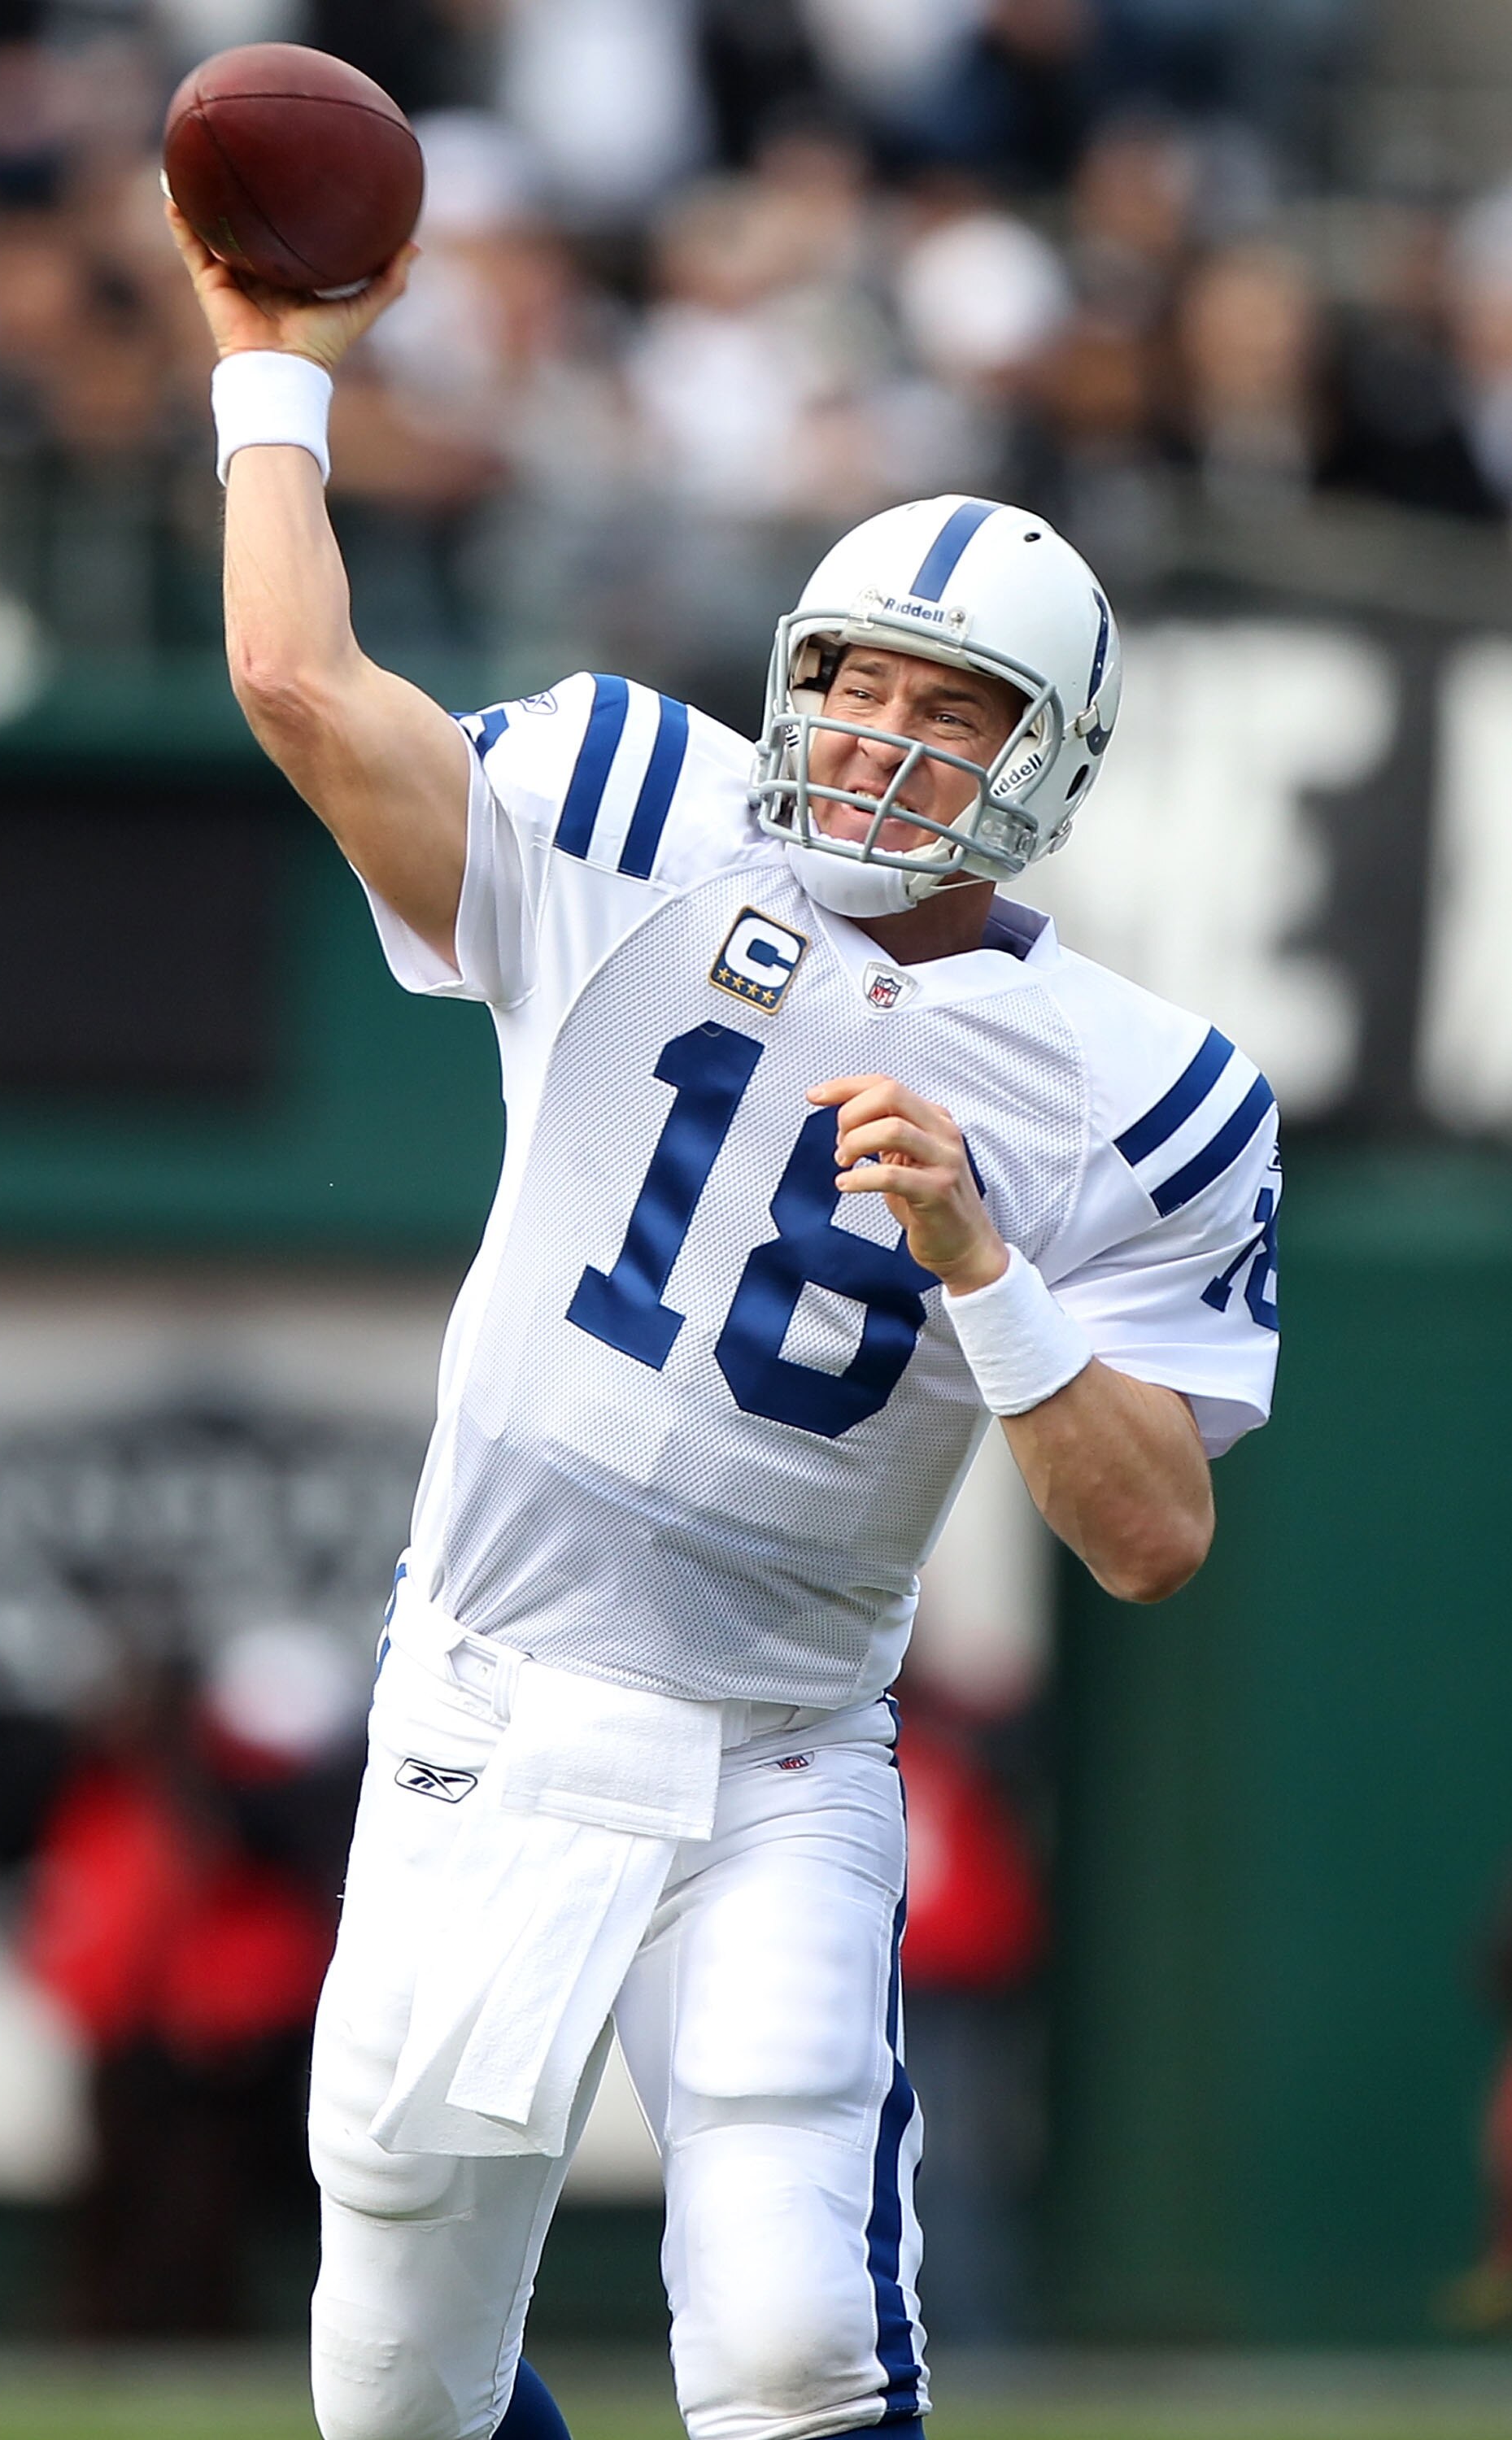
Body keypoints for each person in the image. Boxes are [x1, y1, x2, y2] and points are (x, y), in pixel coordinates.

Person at [165, 205, 1281, 2440]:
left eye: (941, 706)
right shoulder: (624, 808)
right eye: (849, 681)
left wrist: (988, 1268)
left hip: (773, 1750)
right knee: (393, 2402)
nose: (873, 738)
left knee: (792, 2343)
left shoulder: (1148, 1092)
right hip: (484, 1698)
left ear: (1045, 762)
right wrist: (272, 372)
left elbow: (1149, 1536)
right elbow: (301, 690)